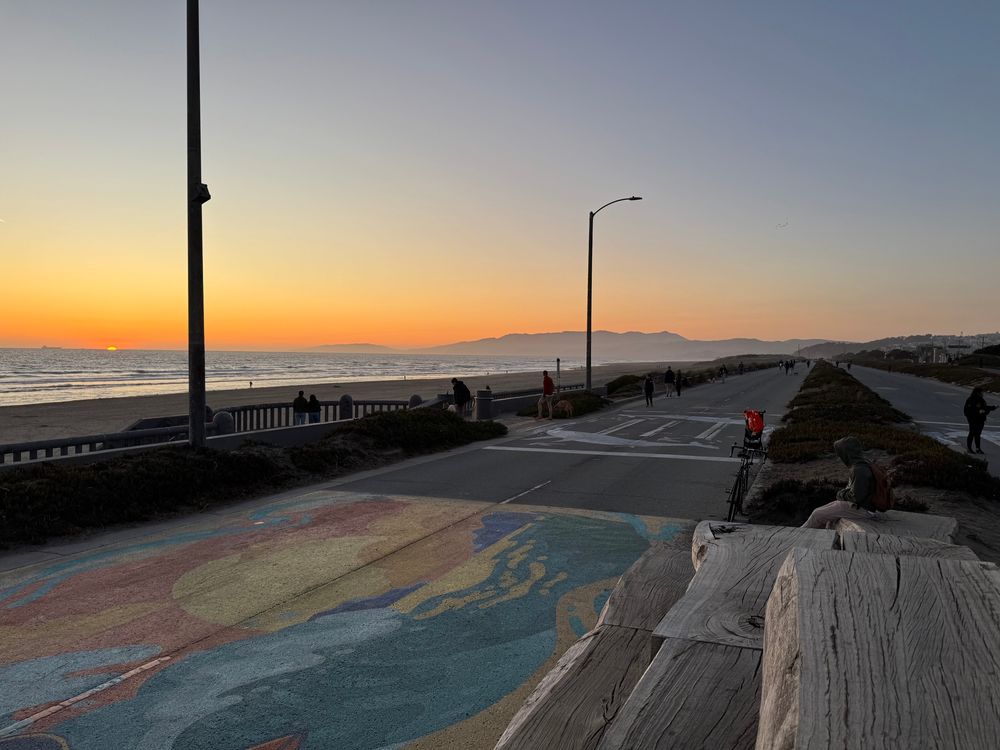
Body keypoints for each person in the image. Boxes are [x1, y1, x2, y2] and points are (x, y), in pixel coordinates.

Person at [801, 436, 878, 528]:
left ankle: (797, 535)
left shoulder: (859, 470)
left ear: (847, 454)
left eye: (841, 453)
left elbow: (857, 497)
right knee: (824, 515)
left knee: (817, 514)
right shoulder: (862, 464)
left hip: (863, 510)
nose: (840, 457)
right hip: (861, 507)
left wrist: (841, 494)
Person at [964, 387, 997, 455]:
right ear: (978, 393)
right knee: (972, 433)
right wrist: (976, 413)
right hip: (973, 420)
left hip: (980, 420)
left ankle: (978, 448)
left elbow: (984, 408)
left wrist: (992, 407)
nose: (983, 393)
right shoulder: (971, 400)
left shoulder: (981, 400)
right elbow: (967, 410)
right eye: (982, 392)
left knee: (978, 434)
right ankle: (969, 448)